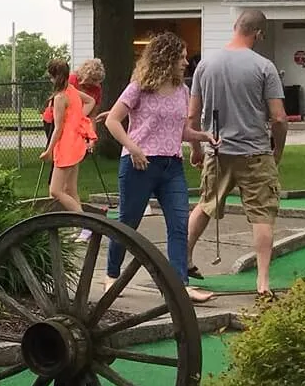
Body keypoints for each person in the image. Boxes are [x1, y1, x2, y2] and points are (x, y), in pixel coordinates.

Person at [104, 32, 217, 303]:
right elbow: (113, 121)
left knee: (179, 225)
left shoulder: (182, 90)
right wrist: (133, 147)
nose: (186, 63)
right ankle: (111, 274)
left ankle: (180, 285)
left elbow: (180, 131)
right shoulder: (138, 87)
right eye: (180, 57)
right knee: (128, 223)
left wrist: (203, 137)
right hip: (138, 165)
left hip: (172, 166)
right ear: (165, 58)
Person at [186, 8, 288, 297]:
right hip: (255, 152)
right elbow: (279, 118)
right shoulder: (264, 67)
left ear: (235, 26)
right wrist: (277, 151)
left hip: (217, 152)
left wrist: (196, 149)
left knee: (205, 205)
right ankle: (263, 282)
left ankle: (184, 262)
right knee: (262, 215)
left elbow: (192, 117)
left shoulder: (206, 65)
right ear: (258, 34)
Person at [41, 57, 97, 212]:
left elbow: (58, 128)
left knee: (55, 190)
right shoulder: (72, 90)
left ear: (51, 75)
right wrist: (78, 118)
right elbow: (91, 101)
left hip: (66, 146)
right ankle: (81, 227)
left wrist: (49, 150)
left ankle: (84, 221)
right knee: (70, 189)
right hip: (76, 142)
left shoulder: (60, 97)